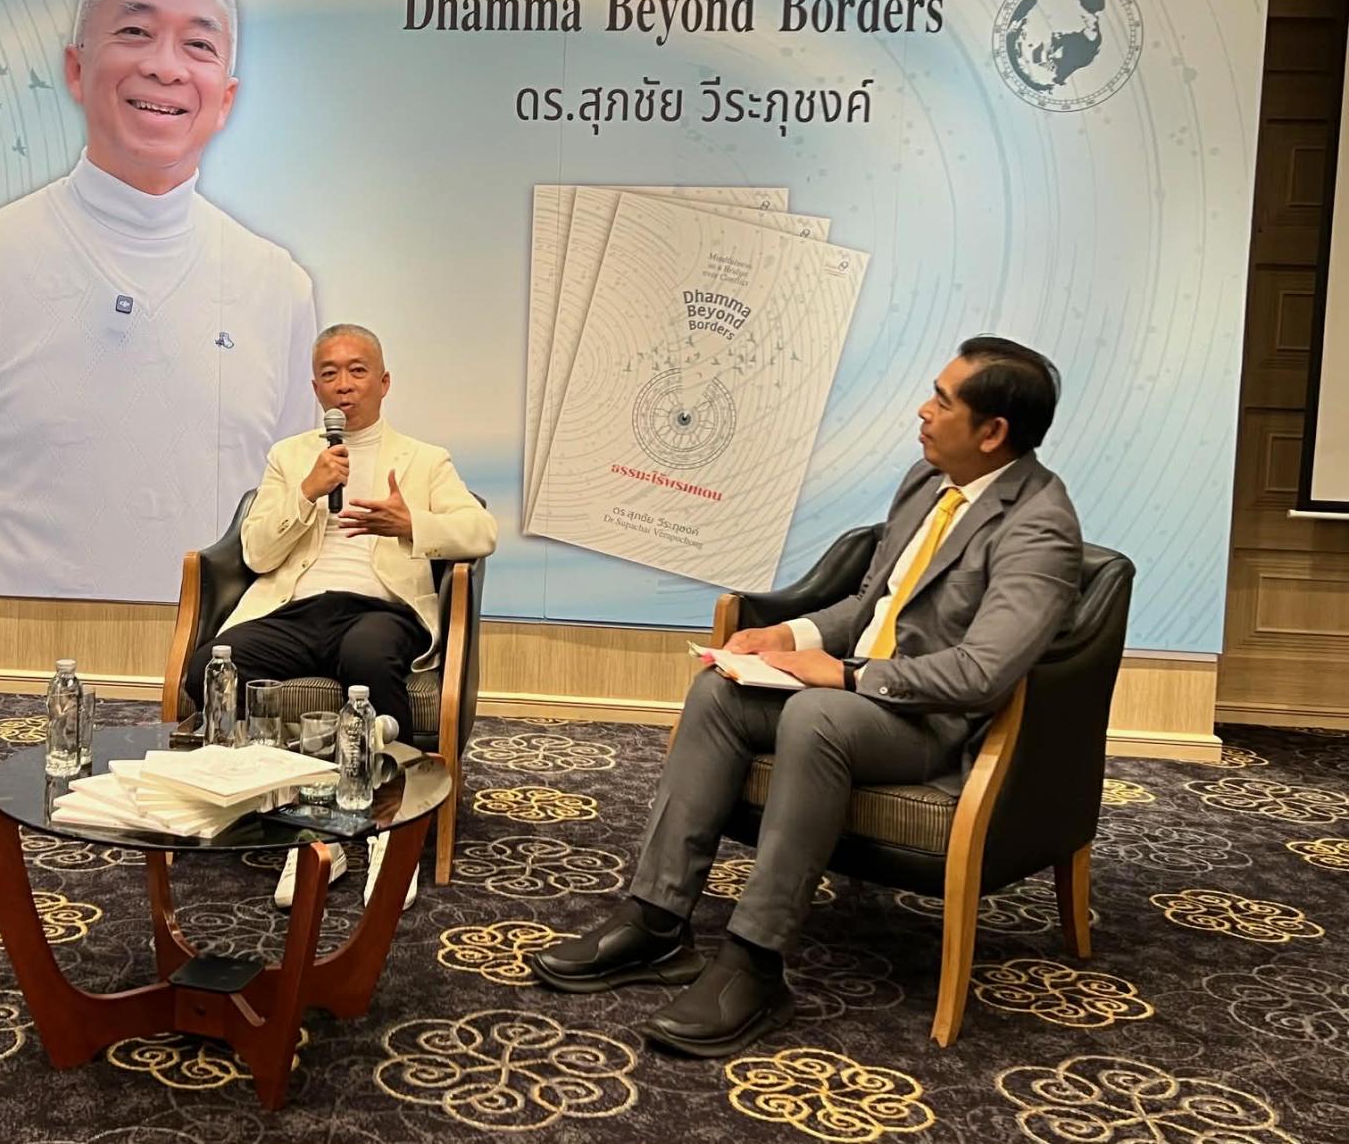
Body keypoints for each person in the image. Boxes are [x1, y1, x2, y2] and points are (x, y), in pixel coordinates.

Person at [528, 336, 1083, 1056]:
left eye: (942, 401)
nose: (923, 410)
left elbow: (982, 674)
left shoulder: (1040, 527)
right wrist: (788, 636)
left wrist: (850, 677)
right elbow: (873, 604)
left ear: (992, 432)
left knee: (819, 715)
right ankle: (657, 921)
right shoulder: (929, 479)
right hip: (862, 692)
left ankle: (756, 963)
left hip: (935, 724)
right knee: (719, 691)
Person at [0, 0, 317, 601]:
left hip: (216, 658)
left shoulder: (277, 288)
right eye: (136, 32)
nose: (165, 67)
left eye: (198, 44)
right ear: (76, 68)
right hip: (17, 662)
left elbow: (295, 518)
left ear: (226, 97)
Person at [188, 323, 497, 910]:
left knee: (366, 657)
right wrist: (306, 492)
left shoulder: (424, 460)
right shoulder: (290, 457)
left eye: (357, 371)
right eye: (329, 374)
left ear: (384, 382)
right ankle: (308, 827)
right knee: (210, 667)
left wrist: (411, 524)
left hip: (382, 609)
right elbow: (257, 555)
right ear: (316, 388)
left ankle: (387, 829)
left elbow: (481, 532)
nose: (344, 385)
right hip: (299, 609)